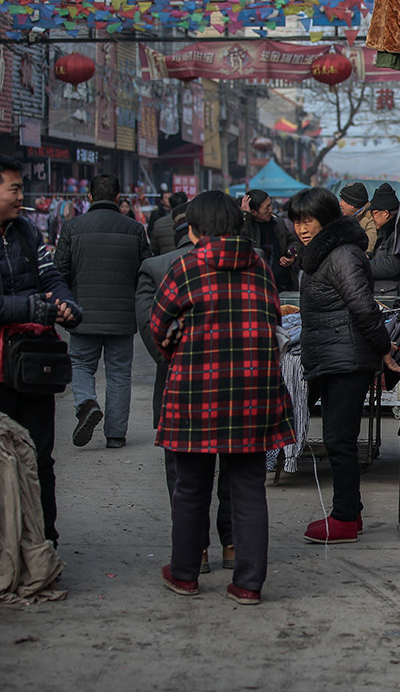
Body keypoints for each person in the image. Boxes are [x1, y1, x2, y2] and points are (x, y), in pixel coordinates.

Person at [151, 191, 294, 604]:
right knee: (248, 487)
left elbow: (158, 328)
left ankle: (184, 574)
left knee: (191, 486)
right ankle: (248, 583)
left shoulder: (185, 267)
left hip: (195, 392)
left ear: (194, 229)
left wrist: (178, 349)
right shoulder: (261, 268)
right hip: (254, 393)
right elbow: (273, 323)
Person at [0, 155, 83, 545]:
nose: (21, 196)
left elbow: (51, 277)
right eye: (14, 188)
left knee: (38, 458)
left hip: (32, 367)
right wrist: (28, 307)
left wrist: (65, 306)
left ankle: (43, 542)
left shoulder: (26, 231)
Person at [288, 187, 398, 544]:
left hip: (347, 359)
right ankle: (351, 512)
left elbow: (364, 307)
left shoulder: (342, 254)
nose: (303, 229)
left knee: (339, 440)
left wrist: (383, 349)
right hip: (332, 356)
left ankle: (345, 518)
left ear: (326, 218)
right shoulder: (319, 254)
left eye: (309, 220)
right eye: (297, 221)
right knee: (339, 439)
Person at [136, 206, 236, 574]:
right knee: (235, 469)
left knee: (183, 477)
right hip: (235, 386)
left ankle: (195, 554)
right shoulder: (250, 264)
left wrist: (180, 361)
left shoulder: (158, 267)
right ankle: (232, 545)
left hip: (179, 387)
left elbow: (152, 331)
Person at [55, 172, 152, 450]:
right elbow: (145, 272)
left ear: (89, 198)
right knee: (119, 374)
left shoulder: (72, 227)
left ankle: (86, 403)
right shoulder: (134, 229)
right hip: (122, 317)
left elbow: (59, 271)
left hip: (82, 314)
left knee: (80, 365)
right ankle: (116, 435)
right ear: (119, 198)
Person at [239, 189, 301, 292]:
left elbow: (293, 242)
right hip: (258, 287)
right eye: (266, 207)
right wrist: (245, 216)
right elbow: (240, 240)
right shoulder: (247, 227)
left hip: (283, 285)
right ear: (253, 212)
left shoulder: (278, 223)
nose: (271, 210)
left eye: (270, 205)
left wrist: (291, 255)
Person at [367, 183, 400, 302]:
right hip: (384, 293)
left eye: (373, 213)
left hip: (393, 297)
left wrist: (364, 264)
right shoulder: (386, 232)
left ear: (385, 213)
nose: (372, 218)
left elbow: (393, 264)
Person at [338, 182, 378, 254]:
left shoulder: (371, 220)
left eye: (342, 200)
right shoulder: (343, 218)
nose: (340, 203)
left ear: (352, 204)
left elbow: (368, 249)